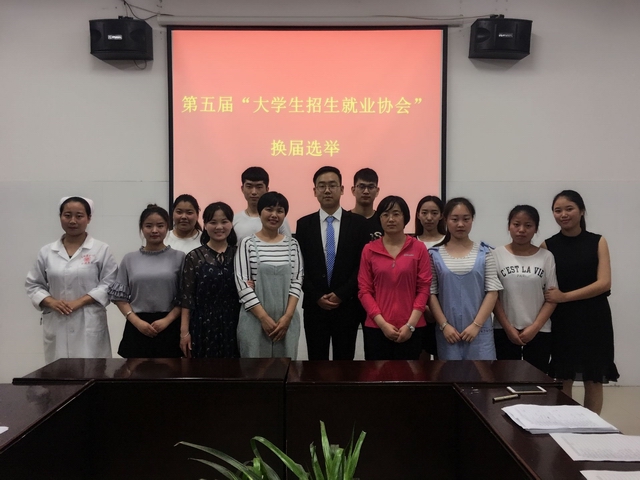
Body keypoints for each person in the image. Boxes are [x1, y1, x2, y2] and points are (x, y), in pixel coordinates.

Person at [541, 190, 618, 414]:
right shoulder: (547, 246)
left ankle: (591, 429)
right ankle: (566, 426)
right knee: (562, 376)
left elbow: (604, 283)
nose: (563, 214)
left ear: (581, 211)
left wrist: (565, 297)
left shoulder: (598, 241)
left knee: (594, 377)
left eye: (569, 209)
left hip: (595, 318)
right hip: (563, 320)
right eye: (558, 210)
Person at [25, 196, 118, 364]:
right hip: (57, 321)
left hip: (89, 321)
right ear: (60, 217)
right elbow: (33, 284)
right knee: (58, 373)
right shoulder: (47, 252)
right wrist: (51, 302)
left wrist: (80, 302)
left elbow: (109, 283)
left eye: (79, 216)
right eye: (67, 215)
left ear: (89, 218)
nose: (73, 221)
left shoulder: (101, 249)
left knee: (92, 371)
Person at [296, 166, 370, 360]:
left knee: (345, 364)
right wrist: (316, 296)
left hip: (347, 306)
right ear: (315, 191)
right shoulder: (303, 225)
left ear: (342, 189)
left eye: (332, 185)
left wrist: (341, 294)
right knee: (316, 363)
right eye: (322, 186)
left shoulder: (358, 224)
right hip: (314, 306)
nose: (327, 190)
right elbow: (299, 267)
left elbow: (362, 266)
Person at [358, 196, 431, 360]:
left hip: (411, 327)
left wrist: (410, 325)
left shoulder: (419, 248)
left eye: (396, 214)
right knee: (378, 375)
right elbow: (364, 291)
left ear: (405, 217)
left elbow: (424, 288)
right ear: (380, 219)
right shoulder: (369, 250)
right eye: (385, 214)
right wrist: (383, 325)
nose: (390, 219)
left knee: (410, 375)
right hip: (377, 327)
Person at [429, 197, 502, 360]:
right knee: (449, 374)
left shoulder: (485, 252)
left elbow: (492, 292)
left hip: (479, 332)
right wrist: (444, 325)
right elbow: (431, 294)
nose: (460, 224)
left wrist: (476, 325)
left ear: (472, 220)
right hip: (448, 333)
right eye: (455, 219)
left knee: (482, 374)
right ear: (445, 220)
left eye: (466, 219)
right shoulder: (434, 254)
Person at [109, 204, 185, 358]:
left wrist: (167, 320)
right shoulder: (129, 259)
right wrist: (137, 322)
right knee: (136, 372)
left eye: (160, 225)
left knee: (171, 372)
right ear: (142, 228)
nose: (154, 230)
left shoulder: (179, 257)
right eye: (149, 226)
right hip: (137, 326)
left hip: (169, 325)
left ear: (167, 227)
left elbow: (185, 296)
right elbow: (119, 298)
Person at [235, 192, 303, 358]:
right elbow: (242, 284)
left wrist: (287, 317)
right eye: (269, 209)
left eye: (280, 211)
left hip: (285, 322)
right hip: (254, 319)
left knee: (285, 368)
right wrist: (264, 318)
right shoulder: (247, 244)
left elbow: (297, 281)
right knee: (254, 369)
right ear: (260, 212)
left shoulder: (293, 244)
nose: (274, 215)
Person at [493, 205, 557, 373]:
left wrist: (535, 327)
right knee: (505, 379)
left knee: (536, 380)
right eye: (516, 224)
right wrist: (508, 328)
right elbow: (493, 297)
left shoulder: (546, 257)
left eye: (528, 225)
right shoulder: (496, 254)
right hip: (504, 330)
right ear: (509, 226)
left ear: (536, 229)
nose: (521, 230)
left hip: (539, 331)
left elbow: (552, 297)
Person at [180, 202, 240, 358]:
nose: (219, 227)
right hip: (203, 324)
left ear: (231, 224)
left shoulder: (239, 254)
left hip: (234, 323)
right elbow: (187, 298)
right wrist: (184, 332)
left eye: (224, 222)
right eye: (213, 222)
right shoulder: (194, 257)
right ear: (205, 225)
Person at [415, 195, 446, 360]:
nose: (429, 217)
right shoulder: (410, 242)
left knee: (444, 359)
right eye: (424, 212)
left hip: (445, 309)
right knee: (421, 360)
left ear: (441, 216)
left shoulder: (449, 241)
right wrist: (424, 307)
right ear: (418, 215)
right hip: (416, 309)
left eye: (434, 213)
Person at [233, 167, 291, 243]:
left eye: (259, 187)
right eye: (249, 186)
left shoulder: (278, 219)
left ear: (267, 189)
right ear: (242, 189)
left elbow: (288, 244)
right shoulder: (234, 220)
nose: (254, 192)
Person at [350, 167, 382, 240]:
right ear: (353, 190)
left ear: (377, 191)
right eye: (362, 186)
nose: (366, 191)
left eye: (371, 187)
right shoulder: (344, 220)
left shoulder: (382, 221)